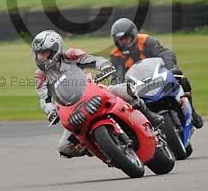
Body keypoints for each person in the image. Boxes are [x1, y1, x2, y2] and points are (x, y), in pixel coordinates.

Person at [32, 29, 164, 158]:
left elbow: (93, 60)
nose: (40, 57)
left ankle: (149, 115)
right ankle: (96, 145)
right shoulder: (41, 75)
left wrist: (104, 65)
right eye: (38, 54)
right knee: (64, 147)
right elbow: (45, 98)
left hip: (91, 91)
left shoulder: (71, 55)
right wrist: (50, 110)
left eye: (44, 53)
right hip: (72, 109)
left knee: (125, 90)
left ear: (56, 49)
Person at [109, 18, 204, 129]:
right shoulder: (115, 55)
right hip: (137, 86)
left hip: (157, 76)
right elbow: (117, 75)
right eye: (121, 40)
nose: (124, 42)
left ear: (133, 35)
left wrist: (171, 67)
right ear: (116, 41)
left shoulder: (145, 41)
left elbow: (165, 53)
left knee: (181, 78)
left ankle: (192, 112)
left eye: (126, 38)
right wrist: (118, 87)